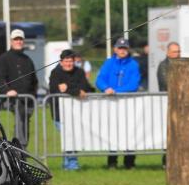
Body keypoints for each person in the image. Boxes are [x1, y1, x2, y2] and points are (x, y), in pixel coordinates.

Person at [96, 37, 140, 169]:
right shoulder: (109, 63)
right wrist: (105, 88)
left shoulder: (133, 64)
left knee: (130, 132)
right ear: (115, 49)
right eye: (120, 48)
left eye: (125, 48)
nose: (122, 50)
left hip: (128, 104)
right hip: (111, 104)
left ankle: (129, 162)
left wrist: (116, 91)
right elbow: (99, 79)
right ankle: (112, 162)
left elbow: (134, 84)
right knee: (112, 132)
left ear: (128, 49)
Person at [49, 49, 94, 170]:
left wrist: (68, 87)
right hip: (59, 114)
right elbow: (54, 89)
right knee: (69, 137)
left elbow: (87, 87)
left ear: (74, 61)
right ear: (61, 62)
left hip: (77, 113)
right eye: (66, 61)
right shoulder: (55, 73)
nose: (68, 64)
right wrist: (75, 90)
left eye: (71, 61)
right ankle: (72, 163)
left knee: (71, 137)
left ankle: (67, 164)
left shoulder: (79, 71)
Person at [0, 29, 38, 150]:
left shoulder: (28, 59)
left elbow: (34, 80)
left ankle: (21, 149)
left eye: (20, 39)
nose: (18, 41)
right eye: (16, 39)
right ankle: (19, 149)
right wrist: (7, 91)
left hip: (28, 99)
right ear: (11, 41)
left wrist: (33, 95)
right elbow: (0, 79)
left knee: (24, 122)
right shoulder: (4, 58)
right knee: (21, 117)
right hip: (12, 100)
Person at [157, 42, 180, 169]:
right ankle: (166, 161)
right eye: (175, 52)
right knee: (169, 134)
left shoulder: (182, 66)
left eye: (179, 52)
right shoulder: (163, 66)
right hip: (168, 105)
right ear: (168, 53)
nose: (178, 54)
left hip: (181, 106)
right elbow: (167, 84)